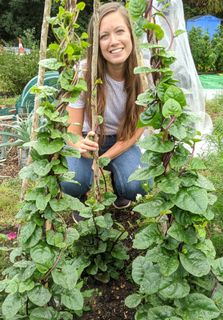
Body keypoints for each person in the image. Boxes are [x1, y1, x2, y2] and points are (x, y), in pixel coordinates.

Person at [61, 2, 147, 221]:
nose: (114, 41)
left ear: (131, 34)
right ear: (95, 43)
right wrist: (79, 146)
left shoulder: (144, 75)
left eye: (120, 31)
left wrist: (103, 160)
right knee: (71, 181)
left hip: (122, 140)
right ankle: (79, 200)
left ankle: (122, 195)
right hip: (89, 140)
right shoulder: (83, 72)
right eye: (104, 36)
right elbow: (72, 129)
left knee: (137, 184)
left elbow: (136, 131)